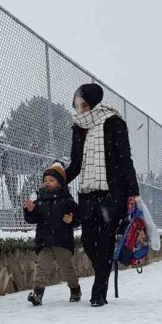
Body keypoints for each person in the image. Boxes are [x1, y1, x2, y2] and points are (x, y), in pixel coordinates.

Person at [64, 84, 140, 307]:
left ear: (94, 103)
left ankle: (98, 293)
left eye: (84, 105)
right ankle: (103, 275)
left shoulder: (114, 123)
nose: (80, 110)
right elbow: (76, 165)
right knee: (88, 241)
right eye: (77, 105)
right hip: (88, 194)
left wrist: (132, 192)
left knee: (105, 242)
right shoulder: (78, 129)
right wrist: (57, 179)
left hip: (112, 193)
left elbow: (125, 160)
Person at [23, 162, 81, 305]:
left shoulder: (67, 200)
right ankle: (37, 294)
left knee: (67, 269)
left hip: (62, 241)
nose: (47, 183)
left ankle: (75, 289)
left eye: (51, 180)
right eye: (45, 180)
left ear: (60, 182)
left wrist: (72, 220)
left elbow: (78, 217)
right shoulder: (40, 201)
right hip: (44, 241)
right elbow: (33, 219)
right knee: (42, 268)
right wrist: (30, 210)